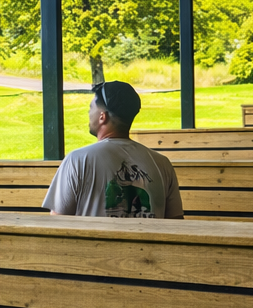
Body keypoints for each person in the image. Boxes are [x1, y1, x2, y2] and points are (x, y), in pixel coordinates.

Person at [44, 81, 184, 218]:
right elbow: (177, 225)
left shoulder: (78, 160)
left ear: (102, 117)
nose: (88, 112)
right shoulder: (162, 163)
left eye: (91, 107)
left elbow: (58, 222)